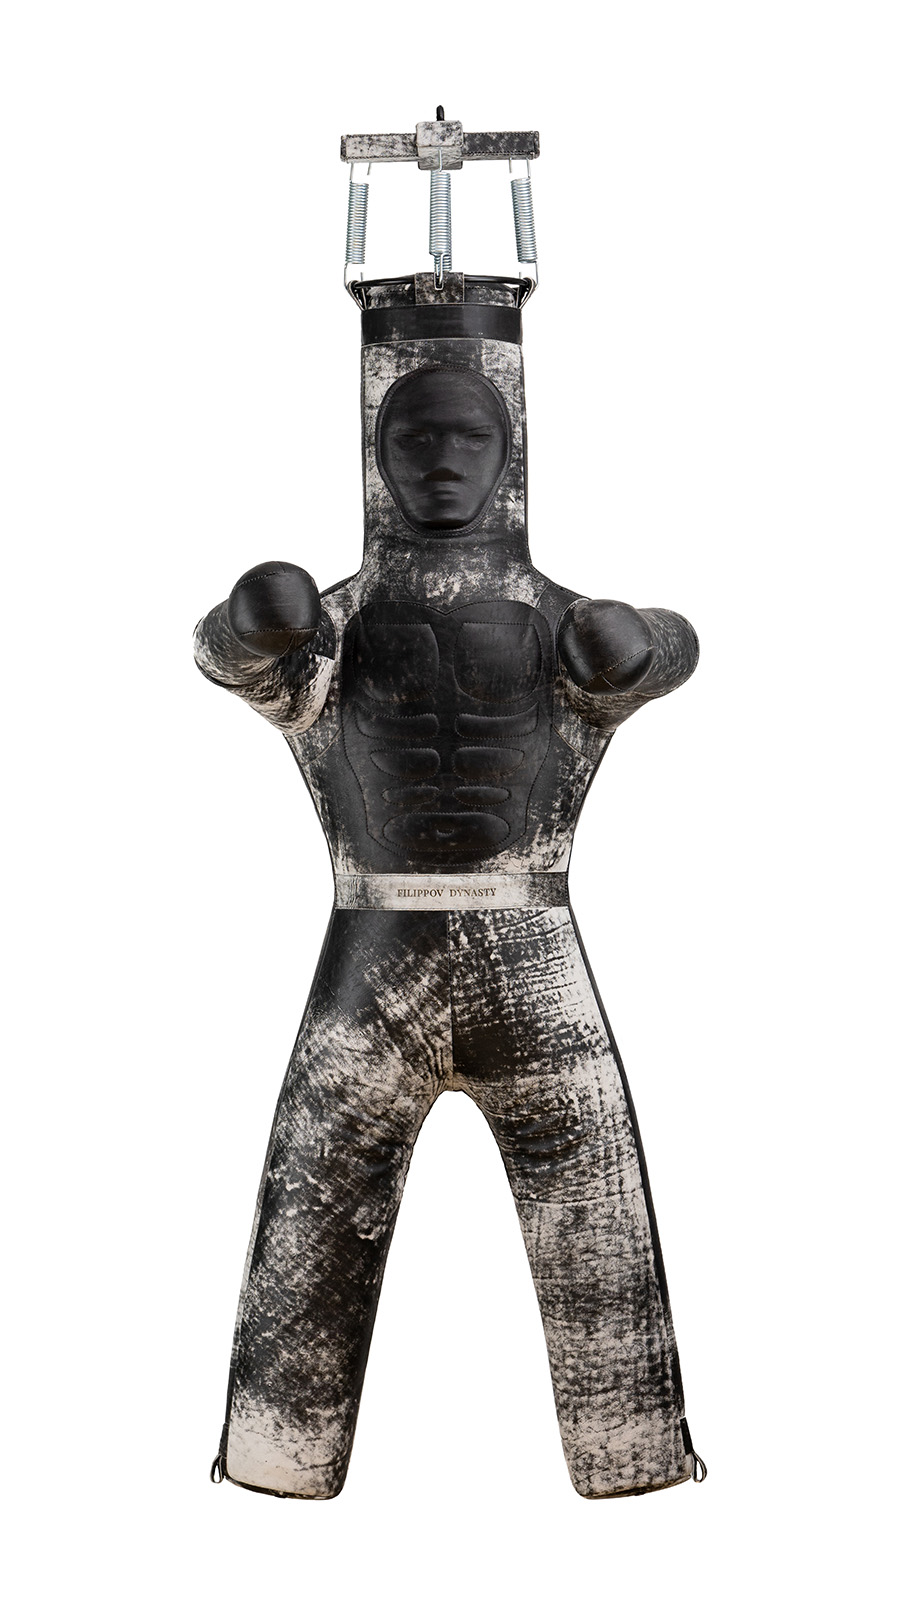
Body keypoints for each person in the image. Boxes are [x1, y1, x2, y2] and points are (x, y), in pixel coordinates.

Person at [196, 317, 704, 1500]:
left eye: (468, 437)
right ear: (375, 451)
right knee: (310, 1222)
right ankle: (275, 1456)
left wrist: (638, 648)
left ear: (508, 445)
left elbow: (668, 651)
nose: (441, 461)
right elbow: (239, 657)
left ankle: (633, 1454)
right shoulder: (328, 627)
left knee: (602, 1231)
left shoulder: (565, 621)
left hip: (532, 946)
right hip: (375, 952)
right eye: (414, 437)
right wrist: (250, 622)